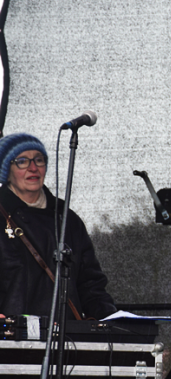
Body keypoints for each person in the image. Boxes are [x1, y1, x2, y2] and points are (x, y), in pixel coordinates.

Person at [0, 132, 116, 321]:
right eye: (22, 161)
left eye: (39, 160)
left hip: (65, 341)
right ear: (6, 169)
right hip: (12, 342)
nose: (33, 168)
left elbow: (91, 285)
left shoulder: (68, 219)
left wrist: (112, 321)